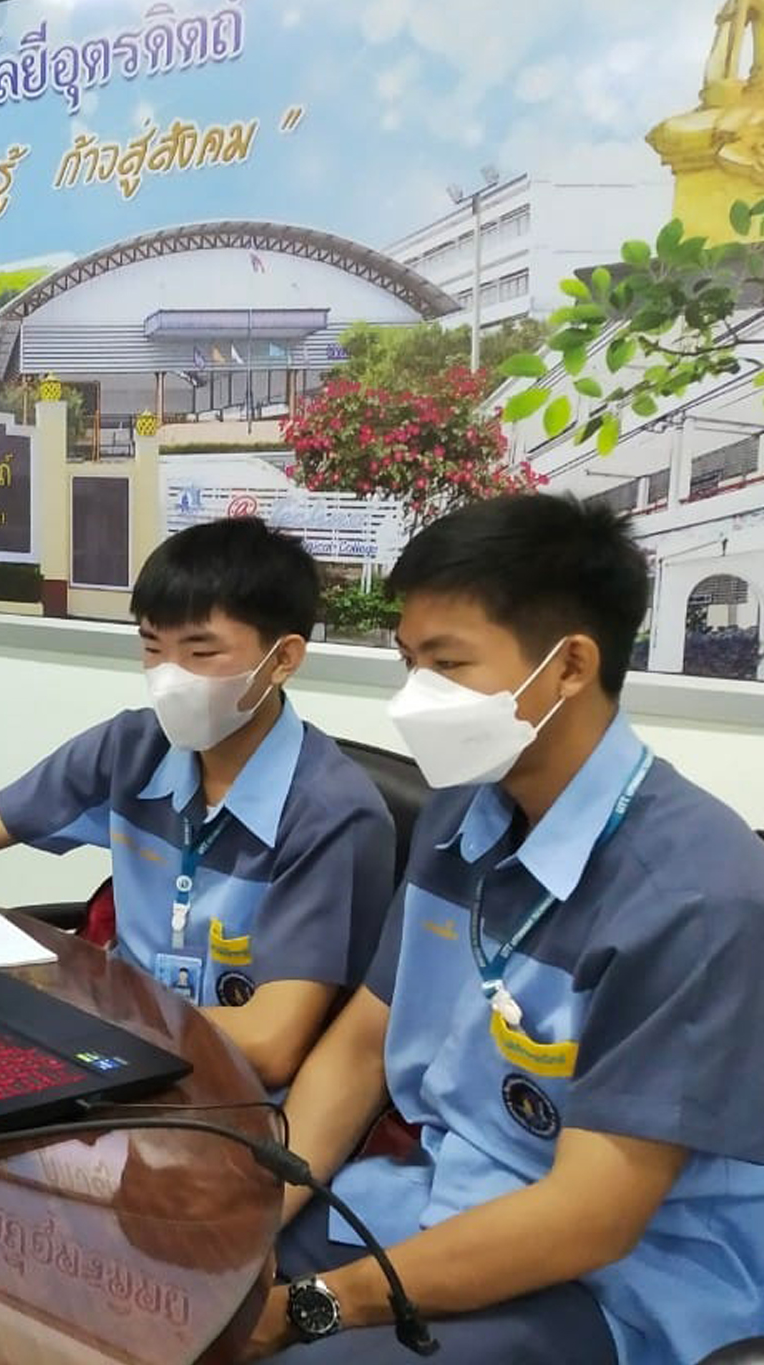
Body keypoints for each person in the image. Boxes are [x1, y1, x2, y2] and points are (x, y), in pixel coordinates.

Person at [250, 494, 764, 1364]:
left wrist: (308, 1307)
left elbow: (588, 1219)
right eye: (410, 662)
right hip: (433, 1198)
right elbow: (361, 1046)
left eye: (449, 665)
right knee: (173, 1277)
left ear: (568, 666)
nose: (415, 699)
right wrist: (257, 1212)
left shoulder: (697, 894)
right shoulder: (462, 819)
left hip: (614, 1279)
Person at [0, 518, 395, 1090]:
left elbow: (272, 1044)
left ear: (283, 660)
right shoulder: (132, 746)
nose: (168, 678)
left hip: (230, 1094)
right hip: (114, 1058)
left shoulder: (330, 812)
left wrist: (91, 1014)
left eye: (200, 652)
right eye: (153, 647)